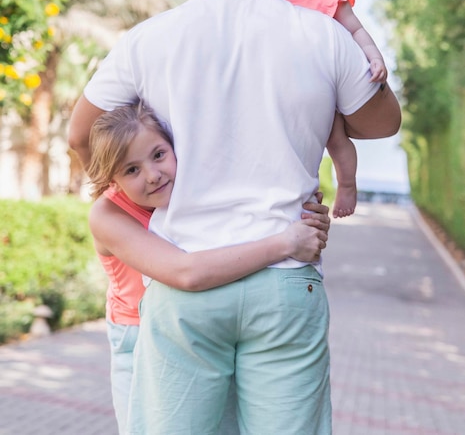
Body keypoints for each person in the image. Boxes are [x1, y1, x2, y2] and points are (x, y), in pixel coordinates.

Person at [68, 0, 401, 435]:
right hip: (287, 278)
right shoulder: (323, 36)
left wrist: (138, 211)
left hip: (184, 284)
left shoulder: (149, 40)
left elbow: (82, 136)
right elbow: (382, 121)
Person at [87, 102, 330, 434]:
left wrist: (308, 221)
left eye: (158, 155)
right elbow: (187, 272)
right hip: (137, 333)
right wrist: (287, 243)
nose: (152, 175)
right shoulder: (108, 215)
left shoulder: (198, 189)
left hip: (200, 332)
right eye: (131, 170)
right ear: (111, 178)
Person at [267, 0, 388, 218]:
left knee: (336, 138)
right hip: (277, 84)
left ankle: (346, 182)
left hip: (320, 86)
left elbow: (358, 31)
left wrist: (374, 57)